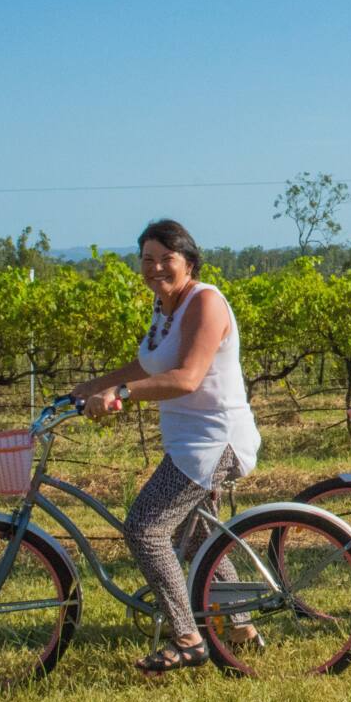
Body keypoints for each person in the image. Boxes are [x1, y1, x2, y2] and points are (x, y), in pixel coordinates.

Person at [71, 218, 262, 676]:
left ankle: (188, 638)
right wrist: (87, 386)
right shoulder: (165, 308)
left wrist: (121, 395)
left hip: (215, 442)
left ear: (189, 262)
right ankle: (240, 631)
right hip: (189, 443)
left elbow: (187, 377)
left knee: (144, 528)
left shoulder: (206, 302)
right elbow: (146, 363)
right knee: (195, 537)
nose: (155, 268)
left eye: (165, 260)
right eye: (147, 260)